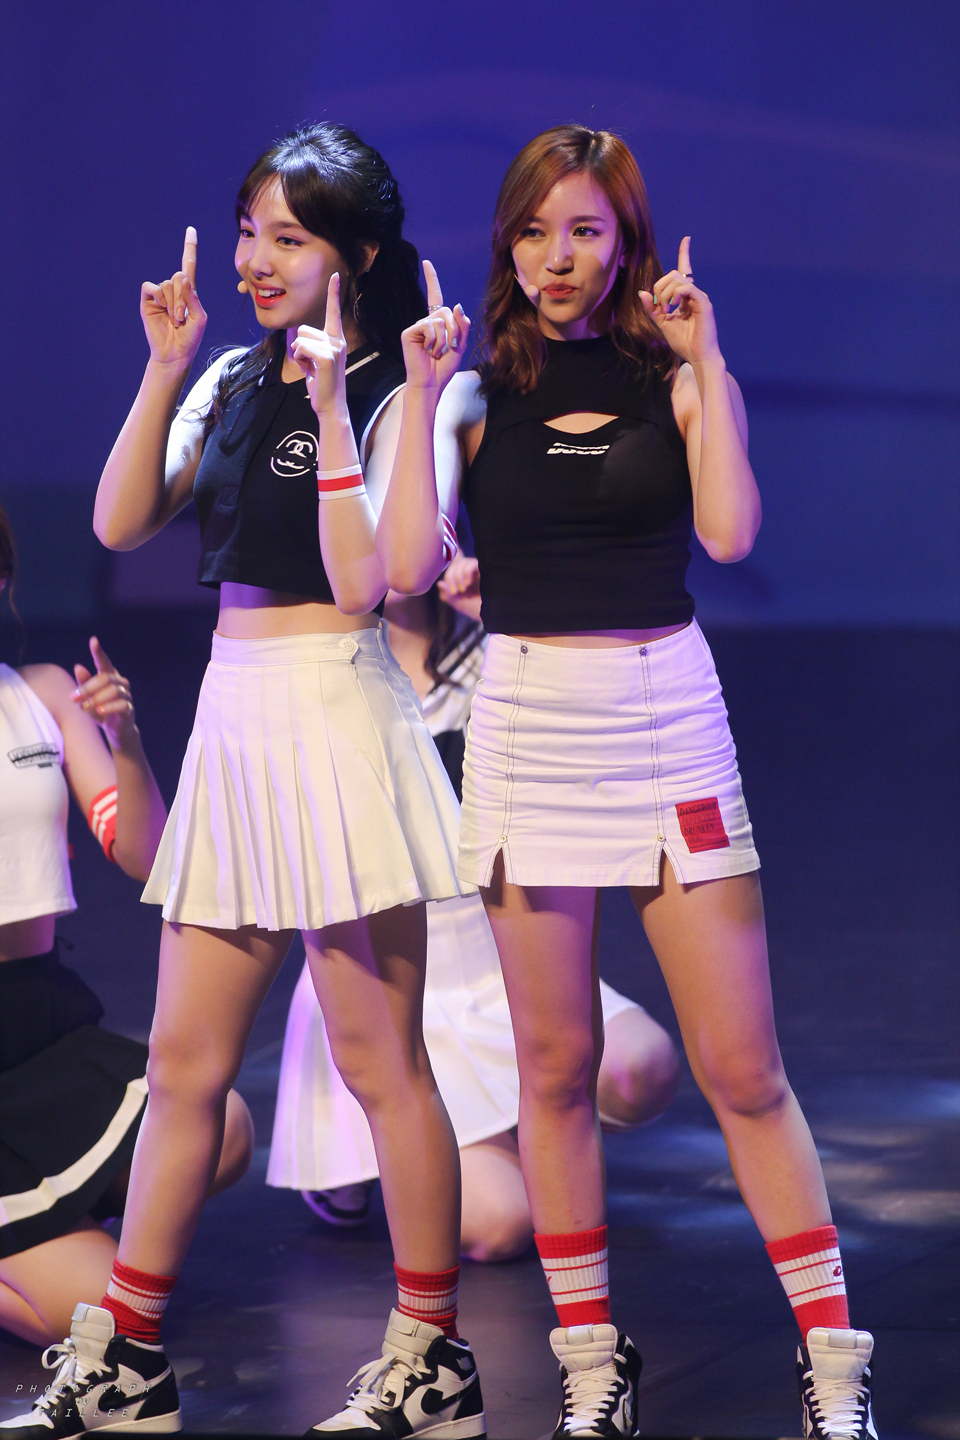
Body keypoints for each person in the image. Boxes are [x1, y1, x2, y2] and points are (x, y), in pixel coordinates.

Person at [372, 126, 877, 1440]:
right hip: (528, 725)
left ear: (625, 243)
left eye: (586, 230)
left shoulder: (683, 382)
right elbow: (407, 568)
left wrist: (707, 359)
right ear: (508, 243)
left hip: (665, 719)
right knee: (555, 1067)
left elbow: (731, 532)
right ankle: (593, 1368)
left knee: (743, 1067)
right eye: (537, 230)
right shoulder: (470, 397)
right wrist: (419, 393)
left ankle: (834, 1369)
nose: (559, 255)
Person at [0, 125, 485, 1440]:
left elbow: (376, 579)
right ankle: (126, 1360)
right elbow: (118, 520)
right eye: (248, 232)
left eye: (289, 238)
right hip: (235, 719)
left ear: (354, 255)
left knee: (384, 1065)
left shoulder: (397, 384)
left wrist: (333, 409)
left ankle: (431, 1358)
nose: (257, 260)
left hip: (336, 715)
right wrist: (164, 366)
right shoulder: (224, 374)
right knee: (183, 1062)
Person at [268, 578, 680, 1260]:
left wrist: (498, 618)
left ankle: (505, 1130)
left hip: (494, 955)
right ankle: (376, 1155)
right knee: (501, 1225)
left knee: (644, 1068)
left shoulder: (492, 646)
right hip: (395, 971)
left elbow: (584, 749)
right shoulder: (324, 661)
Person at [0, 504, 254, 1349]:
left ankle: (44, 1219)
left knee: (224, 1127)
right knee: (102, 1315)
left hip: (41, 1024)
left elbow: (145, 856)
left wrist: (126, 737)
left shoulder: (40, 693)